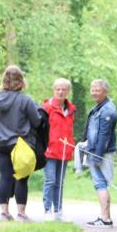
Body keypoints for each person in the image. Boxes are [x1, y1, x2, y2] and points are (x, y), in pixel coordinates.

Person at [0, 65, 41, 222]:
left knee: (5, 177)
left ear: (4, 80)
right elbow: (37, 121)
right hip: (20, 144)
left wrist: (0, 119)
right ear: (21, 81)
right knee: (21, 177)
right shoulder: (25, 100)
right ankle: (21, 214)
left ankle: (4, 213)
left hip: (1, 143)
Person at [83, 78, 117, 227]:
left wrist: (97, 156)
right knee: (100, 183)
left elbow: (104, 135)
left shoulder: (107, 110)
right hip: (95, 150)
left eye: (97, 90)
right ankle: (106, 217)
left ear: (105, 91)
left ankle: (105, 218)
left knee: (100, 184)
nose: (94, 93)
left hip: (101, 153)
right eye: (92, 89)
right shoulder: (100, 107)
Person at [42, 78, 77, 221]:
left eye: (64, 89)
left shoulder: (71, 110)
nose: (61, 92)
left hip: (64, 151)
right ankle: (47, 210)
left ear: (68, 92)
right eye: (58, 89)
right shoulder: (47, 108)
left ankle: (58, 211)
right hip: (50, 151)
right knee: (50, 181)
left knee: (59, 183)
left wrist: (72, 146)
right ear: (54, 90)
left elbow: (69, 131)